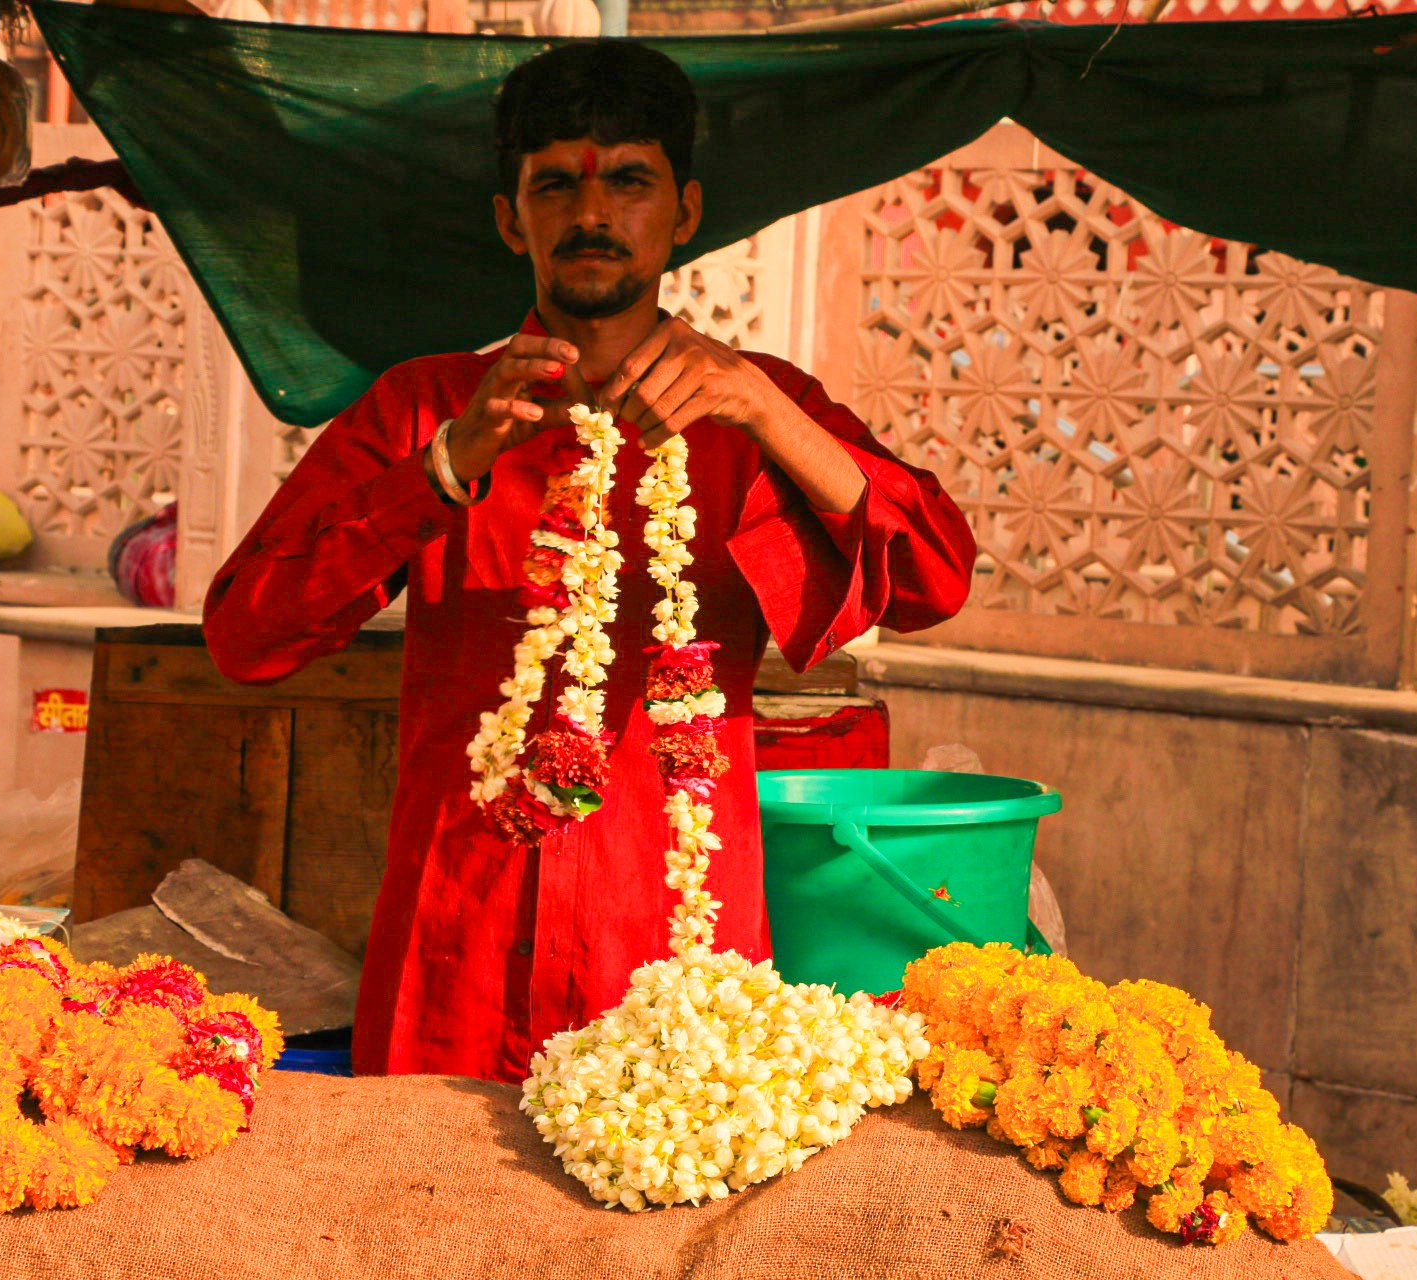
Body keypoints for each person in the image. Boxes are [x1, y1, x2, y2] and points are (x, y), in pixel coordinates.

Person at [203, 40, 976, 1083]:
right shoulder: (429, 406)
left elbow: (934, 577)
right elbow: (247, 631)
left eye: (628, 181)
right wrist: (442, 468)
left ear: (685, 213)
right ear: (510, 217)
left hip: (670, 934)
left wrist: (759, 406)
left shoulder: (759, 411)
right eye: (555, 184)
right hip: (456, 942)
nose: (592, 213)